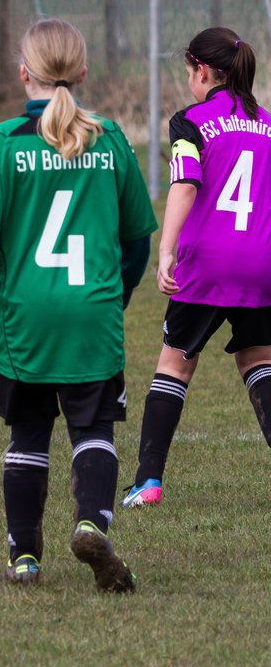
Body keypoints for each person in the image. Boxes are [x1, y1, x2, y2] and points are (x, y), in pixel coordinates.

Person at [0, 19, 156, 592]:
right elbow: (137, 242)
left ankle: (25, 558)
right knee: (95, 429)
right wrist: (117, 294)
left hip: (25, 319)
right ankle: (90, 522)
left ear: (23, 72)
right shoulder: (110, 139)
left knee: (29, 435)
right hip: (92, 314)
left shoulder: (5, 142)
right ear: (82, 72)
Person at [122, 28, 271, 509]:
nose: (189, 81)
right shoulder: (268, 124)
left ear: (203, 72)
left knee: (174, 366)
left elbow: (184, 184)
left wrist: (166, 253)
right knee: (260, 363)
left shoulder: (189, 122)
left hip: (205, 266)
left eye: (189, 73)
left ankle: (147, 484)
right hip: (260, 267)